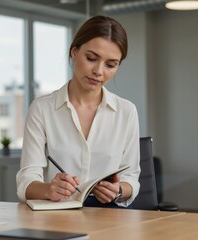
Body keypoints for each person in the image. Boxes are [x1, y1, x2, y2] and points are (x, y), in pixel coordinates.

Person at [16, 15, 140, 208]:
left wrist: (119, 190)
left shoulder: (126, 111)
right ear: (74, 52)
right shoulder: (42, 108)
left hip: (110, 216)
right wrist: (49, 189)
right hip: (58, 214)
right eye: (91, 58)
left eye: (110, 64)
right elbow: (26, 180)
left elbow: (131, 178)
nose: (99, 71)